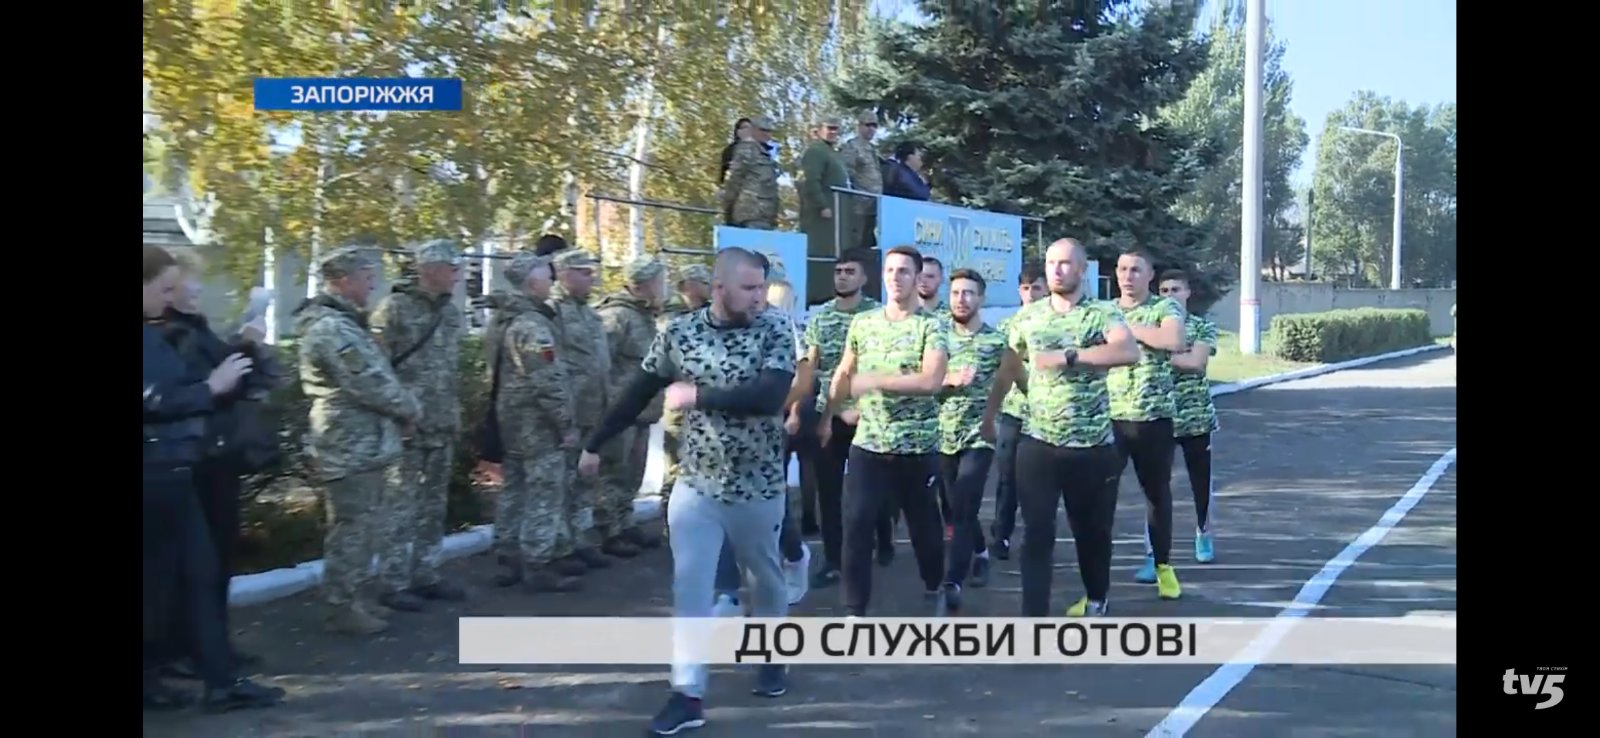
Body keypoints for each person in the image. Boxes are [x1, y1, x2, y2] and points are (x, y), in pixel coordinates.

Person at [578, 247, 796, 735]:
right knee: (691, 586)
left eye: (762, 287)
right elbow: (637, 391)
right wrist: (594, 443)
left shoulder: (775, 328)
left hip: (757, 484)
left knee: (764, 578)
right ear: (719, 289)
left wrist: (699, 396)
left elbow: (770, 396)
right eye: (749, 288)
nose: (758, 296)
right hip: (697, 485)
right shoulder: (680, 333)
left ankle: (771, 655)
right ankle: (687, 694)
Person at [142, 244, 283, 712]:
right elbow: (157, 397)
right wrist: (210, 387)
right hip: (161, 469)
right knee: (191, 574)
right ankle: (216, 681)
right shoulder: (156, 336)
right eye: (166, 289)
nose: (170, 299)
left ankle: (211, 679)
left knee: (186, 576)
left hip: (171, 468)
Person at [982, 238, 1139, 617]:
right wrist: (989, 415)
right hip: (1038, 443)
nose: (1056, 269)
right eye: (1051, 262)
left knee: (1091, 533)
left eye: (1065, 263)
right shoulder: (1028, 316)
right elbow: (1009, 366)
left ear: (1081, 270)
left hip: (1092, 446)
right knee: (1037, 534)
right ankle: (1033, 618)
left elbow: (1128, 351)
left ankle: (1097, 598)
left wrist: (1068, 357)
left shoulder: (1100, 313)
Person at [294, 245, 423, 634]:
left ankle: (356, 598)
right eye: (367, 278)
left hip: (366, 439)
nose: (372, 285)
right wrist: (409, 409)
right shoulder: (332, 329)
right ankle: (341, 605)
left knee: (368, 523)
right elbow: (370, 382)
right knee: (352, 525)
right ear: (343, 280)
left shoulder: (347, 323)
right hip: (348, 442)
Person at [821, 245, 949, 616]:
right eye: (890, 270)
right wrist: (835, 409)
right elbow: (845, 372)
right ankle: (855, 609)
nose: (895, 277)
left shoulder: (931, 326)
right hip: (870, 444)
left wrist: (877, 381)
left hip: (916, 446)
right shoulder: (864, 323)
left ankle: (933, 586)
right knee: (857, 522)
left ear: (917, 278)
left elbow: (931, 381)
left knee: (924, 528)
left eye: (904, 271)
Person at [369, 240, 469, 610]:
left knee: (433, 505)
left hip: (441, 423)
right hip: (406, 426)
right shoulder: (393, 309)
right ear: (430, 269)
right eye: (452, 269)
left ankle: (426, 573)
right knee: (401, 506)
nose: (458, 276)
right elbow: (377, 369)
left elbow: (450, 369)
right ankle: (393, 582)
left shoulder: (450, 312)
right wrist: (398, 415)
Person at [485, 251, 584, 592]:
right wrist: (566, 424)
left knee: (514, 488)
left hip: (512, 420)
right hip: (537, 424)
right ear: (531, 282)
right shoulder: (532, 325)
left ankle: (508, 555)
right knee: (544, 490)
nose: (551, 280)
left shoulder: (504, 318)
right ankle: (537, 563)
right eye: (546, 275)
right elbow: (547, 380)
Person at [1108, 249, 1187, 599]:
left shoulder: (1163, 308)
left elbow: (1173, 341)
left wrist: (1129, 329)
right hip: (1109, 419)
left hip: (1154, 418)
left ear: (1150, 275)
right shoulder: (1103, 310)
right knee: (1098, 499)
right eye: (1123, 269)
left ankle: (1163, 567)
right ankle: (1096, 582)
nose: (1128, 276)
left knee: (1157, 495)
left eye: (1136, 270)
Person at [803, 248, 880, 590]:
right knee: (829, 492)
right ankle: (835, 560)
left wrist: (863, 405)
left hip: (869, 415)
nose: (843, 277)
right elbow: (810, 365)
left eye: (850, 272)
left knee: (868, 494)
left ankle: (878, 541)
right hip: (829, 414)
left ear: (863, 278)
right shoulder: (820, 317)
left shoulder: (876, 315)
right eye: (838, 271)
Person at [934, 269, 1006, 611]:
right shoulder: (935, 336)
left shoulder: (996, 342)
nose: (961, 299)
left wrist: (996, 418)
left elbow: (1012, 381)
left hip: (979, 436)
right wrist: (946, 380)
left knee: (964, 505)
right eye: (955, 293)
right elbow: (920, 379)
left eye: (968, 293)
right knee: (954, 506)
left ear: (981, 298)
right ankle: (981, 552)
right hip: (941, 435)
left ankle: (953, 580)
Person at [549, 249, 620, 567]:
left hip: (594, 408)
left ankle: (580, 539)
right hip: (569, 411)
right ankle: (559, 546)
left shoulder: (590, 313)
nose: (592, 277)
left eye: (592, 271)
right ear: (564, 274)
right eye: (584, 272)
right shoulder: (552, 312)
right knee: (561, 482)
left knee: (584, 480)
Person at [595, 256, 670, 551]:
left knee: (633, 473)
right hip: (621, 410)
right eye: (658, 282)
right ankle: (609, 531)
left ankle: (625, 524)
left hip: (642, 411)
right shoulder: (617, 316)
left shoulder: (644, 314)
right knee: (614, 471)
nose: (662, 287)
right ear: (642, 285)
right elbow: (601, 364)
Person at [1158, 270, 1220, 563]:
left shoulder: (1202, 326)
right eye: (1164, 291)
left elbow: (1197, 362)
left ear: (1187, 293)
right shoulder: (1154, 327)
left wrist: (1162, 355)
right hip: (1160, 414)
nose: (1170, 295)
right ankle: (1155, 548)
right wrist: (1177, 352)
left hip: (1196, 416)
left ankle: (1203, 531)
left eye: (1175, 290)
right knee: (1157, 485)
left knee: (1200, 481)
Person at [989, 263, 1047, 560]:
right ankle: (1001, 534)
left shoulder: (1055, 324)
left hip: (1046, 414)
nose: (1031, 293)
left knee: (1040, 483)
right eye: (1025, 288)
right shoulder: (1006, 326)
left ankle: (1038, 538)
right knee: (1007, 478)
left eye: (1036, 287)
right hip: (1013, 412)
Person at [722, 116, 781, 230]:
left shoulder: (765, 153)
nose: (766, 134)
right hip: (751, 212)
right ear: (753, 130)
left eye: (769, 131)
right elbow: (735, 179)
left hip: (766, 214)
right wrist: (728, 207)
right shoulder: (746, 149)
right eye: (762, 130)